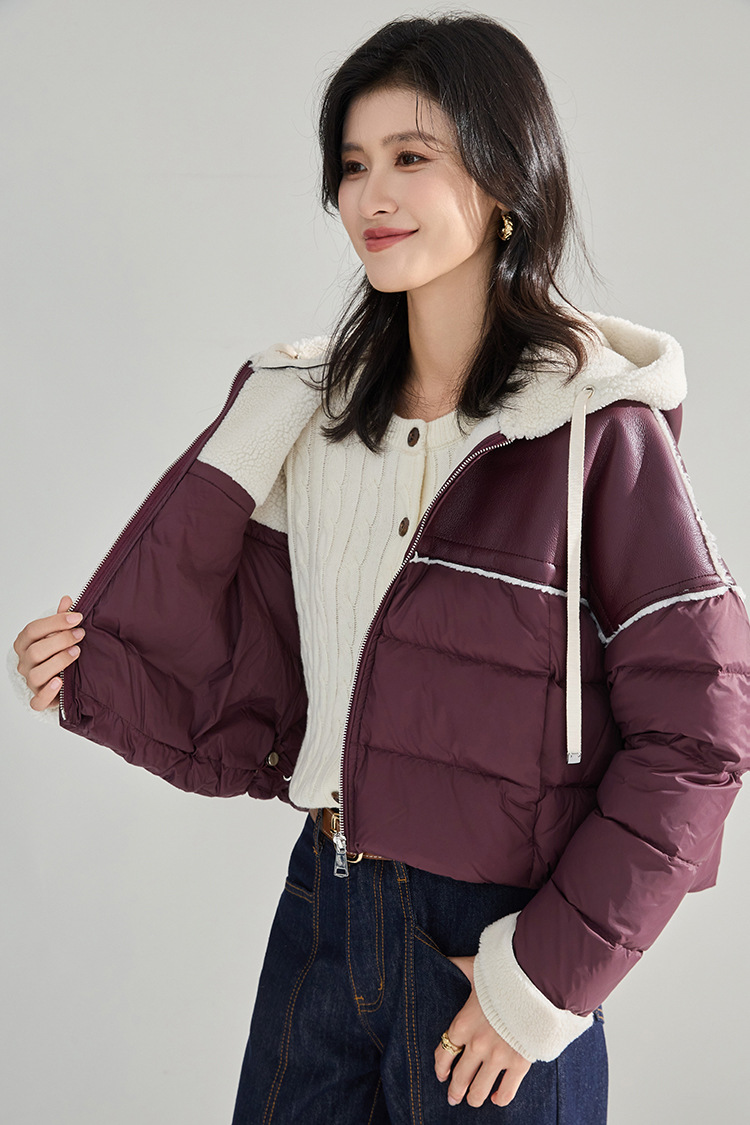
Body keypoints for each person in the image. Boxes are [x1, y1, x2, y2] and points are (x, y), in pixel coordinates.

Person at [10, 12, 750, 1124]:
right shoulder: (311, 420)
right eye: (353, 165)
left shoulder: (598, 433)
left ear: (505, 180)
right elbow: (269, 675)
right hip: (323, 911)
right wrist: (88, 669)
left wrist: (540, 984)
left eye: (412, 156)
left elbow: (701, 736)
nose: (373, 195)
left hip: (489, 949)